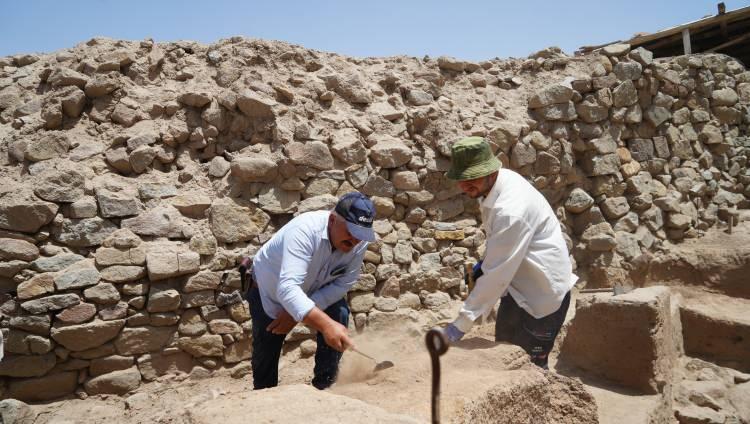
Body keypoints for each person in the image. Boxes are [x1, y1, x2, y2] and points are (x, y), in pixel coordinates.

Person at [439, 136, 576, 369]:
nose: (464, 185)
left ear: (491, 172)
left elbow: (497, 275)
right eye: (461, 179)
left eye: (472, 178)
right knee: (503, 361)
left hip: (542, 299)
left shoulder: (511, 210)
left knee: (528, 372)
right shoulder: (498, 185)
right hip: (517, 292)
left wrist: (459, 326)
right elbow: (501, 255)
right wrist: (486, 264)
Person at [248, 192, 376, 389]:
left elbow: (344, 283)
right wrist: (324, 325)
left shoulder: (359, 242)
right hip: (270, 293)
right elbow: (288, 288)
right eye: (351, 231)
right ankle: (265, 399)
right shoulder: (305, 231)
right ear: (333, 220)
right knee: (267, 352)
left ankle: (325, 386)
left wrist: (298, 312)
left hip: (313, 290)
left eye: (361, 234)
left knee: (338, 313)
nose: (355, 240)